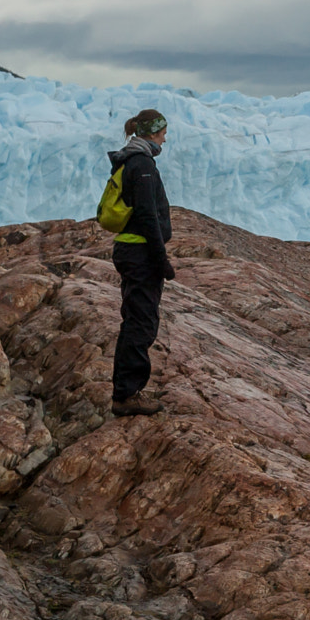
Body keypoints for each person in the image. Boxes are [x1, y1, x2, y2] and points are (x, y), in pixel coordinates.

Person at [108, 109, 175, 417]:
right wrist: (161, 260)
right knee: (141, 323)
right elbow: (147, 215)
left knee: (135, 319)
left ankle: (126, 389)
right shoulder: (143, 164)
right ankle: (126, 395)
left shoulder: (132, 160)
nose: (165, 136)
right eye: (161, 131)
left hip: (132, 251)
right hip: (140, 254)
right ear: (151, 132)